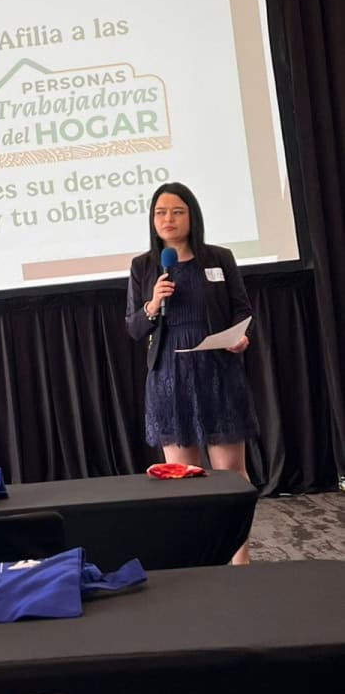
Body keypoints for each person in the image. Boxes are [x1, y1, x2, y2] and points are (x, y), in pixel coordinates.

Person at [126, 182, 257, 565]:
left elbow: (242, 310)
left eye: (177, 211)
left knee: (230, 474)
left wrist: (241, 338)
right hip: (170, 376)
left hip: (218, 371)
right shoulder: (144, 266)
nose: (168, 219)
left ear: (192, 217)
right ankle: (201, 562)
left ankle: (241, 560)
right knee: (184, 478)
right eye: (160, 212)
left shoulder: (218, 258)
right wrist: (152, 304)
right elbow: (134, 328)